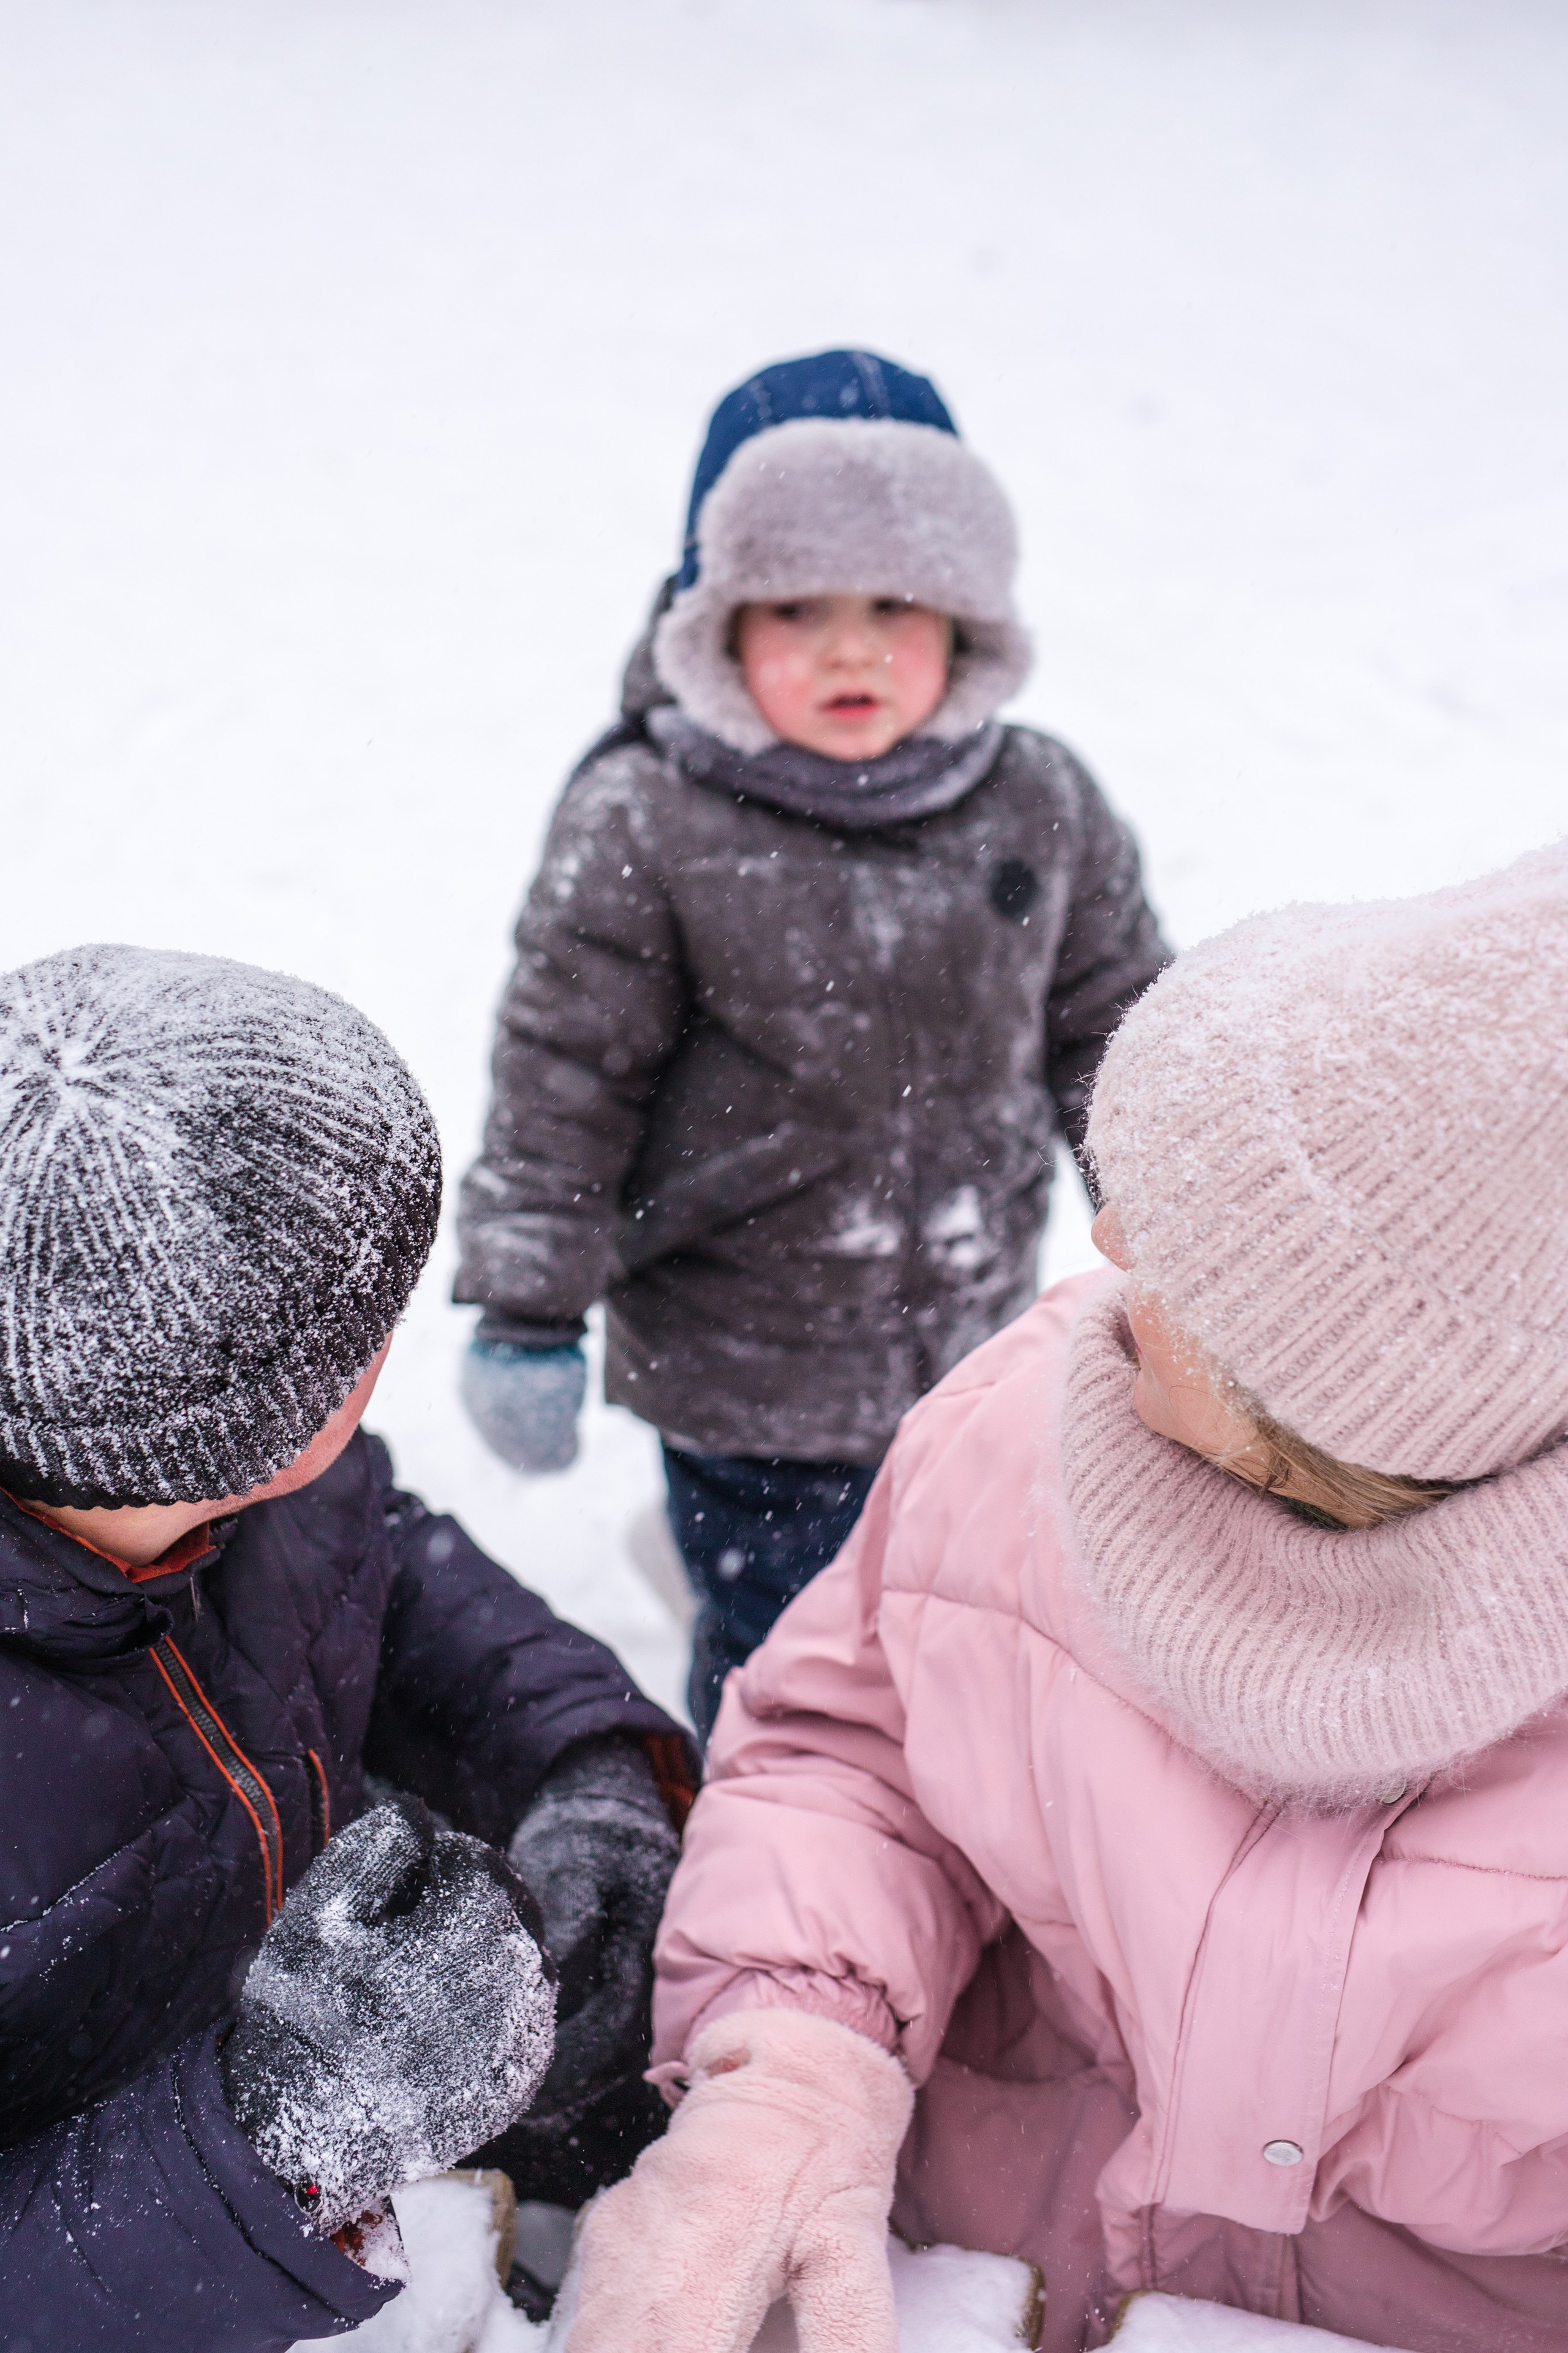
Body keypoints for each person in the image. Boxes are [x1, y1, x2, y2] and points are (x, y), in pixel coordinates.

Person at [559, 844, 1568, 2353]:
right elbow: (856, 1749)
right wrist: (795, 2050)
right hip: (968, 2270)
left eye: (1183, 1256)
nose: (1101, 1249)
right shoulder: (1025, 1418)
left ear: (1364, 1398)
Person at [455, 347, 1168, 1736]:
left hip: (966, 1333)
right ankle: (764, 1881)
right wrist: (526, 1312)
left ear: (966, 616)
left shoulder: (1036, 799)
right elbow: (562, 1077)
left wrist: (1180, 1214)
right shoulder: (647, 819)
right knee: (791, 1676)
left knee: (954, 1612)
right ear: (711, 620)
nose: (851, 649)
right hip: (741, 1371)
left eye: (893, 603)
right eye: (796, 606)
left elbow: (1116, 1030)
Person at [0, 944, 696, 2353]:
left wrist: (578, 1759)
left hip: (337, 2040)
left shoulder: (235, 1471)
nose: (385, 1344)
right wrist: (269, 2142)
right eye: (369, 1329)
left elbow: (375, 1562)